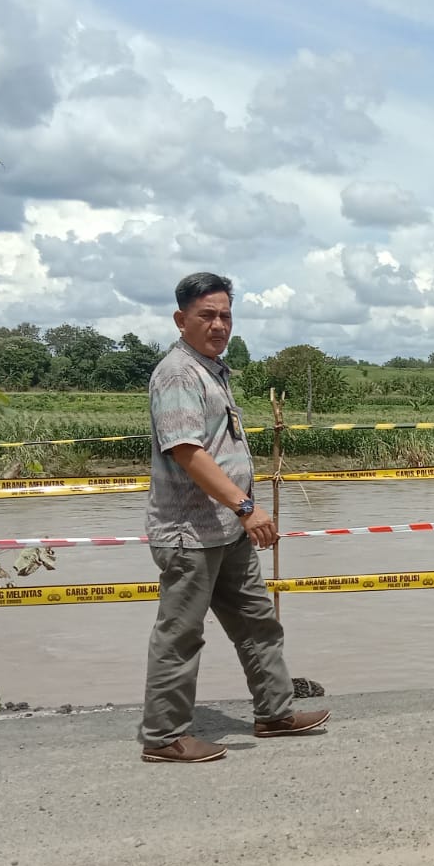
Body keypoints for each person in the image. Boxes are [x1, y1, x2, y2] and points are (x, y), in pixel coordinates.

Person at [137, 272, 329, 763]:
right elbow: (186, 451)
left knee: (257, 622)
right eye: (207, 315)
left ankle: (275, 711)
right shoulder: (179, 373)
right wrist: (245, 506)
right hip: (192, 531)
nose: (219, 324)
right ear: (181, 320)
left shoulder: (211, 370)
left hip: (226, 528)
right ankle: (164, 737)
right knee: (181, 634)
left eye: (225, 315)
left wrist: (239, 512)